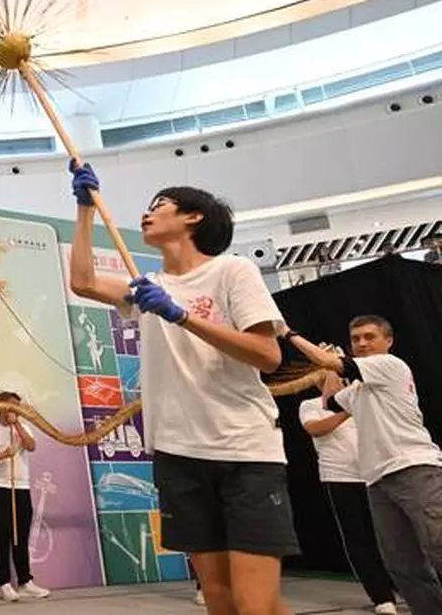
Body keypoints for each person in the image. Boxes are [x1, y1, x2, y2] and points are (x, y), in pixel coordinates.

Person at [66, 162, 296, 615]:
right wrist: (84, 210)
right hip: (179, 453)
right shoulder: (148, 287)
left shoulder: (233, 271)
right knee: (220, 600)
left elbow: (267, 355)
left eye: (160, 205)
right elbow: (84, 281)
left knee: (255, 605)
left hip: (245, 450)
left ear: (194, 217)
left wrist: (181, 316)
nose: (147, 214)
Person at [283, 316, 442, 614]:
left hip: (414, 467)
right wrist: (328, 366)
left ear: (388, 341)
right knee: (401, 563)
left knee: (438, 546)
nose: (362, 343)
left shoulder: (390, 365)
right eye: (355, 339)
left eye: (369, 336)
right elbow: (329, 402)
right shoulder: (358, 390)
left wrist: (288, 333)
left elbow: (334, 366)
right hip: (377, 480)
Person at [298, 378, 397, 614]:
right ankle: (381, 596)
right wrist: (346, 411)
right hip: (339, 477)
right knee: (358, 537)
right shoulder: (310, 405)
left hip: (376, 473)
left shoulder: (364, 399)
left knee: (391, 534)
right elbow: (315, 429)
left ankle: (403, 584)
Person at [0, 391, 49, 601]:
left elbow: (31, 446)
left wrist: (16, 425)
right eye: (11, 406)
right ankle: (4, 583)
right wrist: (4, 454)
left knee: (21, 536)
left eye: (17, 407)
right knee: (2, 536)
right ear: (0, 407)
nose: (14, 410)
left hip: (21, 488)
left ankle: (25, 581)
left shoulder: (23, 428)